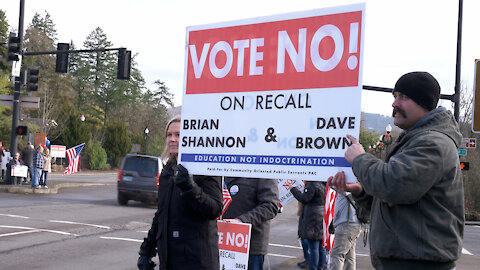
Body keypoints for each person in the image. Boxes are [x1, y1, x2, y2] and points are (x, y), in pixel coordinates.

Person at [328, 71, 464, 270]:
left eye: (404, 97)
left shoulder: (433, 143)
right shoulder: (416, 139)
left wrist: (360, 158)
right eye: (395, 96)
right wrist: (360, 191)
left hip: (418, 264)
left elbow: (394, 185)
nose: (394, 104)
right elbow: (396, 199)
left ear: (424, 104)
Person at [137, 116, 223, 270]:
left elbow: (214, 209)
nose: (172, 139)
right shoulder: (167, 171)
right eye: (169, 135)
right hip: (170, 260)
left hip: (198, 260)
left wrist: (190, 187)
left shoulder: (206, 167)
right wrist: (147, 250)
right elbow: (161, 215)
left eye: (178, 135)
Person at [222, 177, 279, 270]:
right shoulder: (226, 171)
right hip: (225, 242)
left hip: (251, 245)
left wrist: (242, 221)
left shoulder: (263, 173)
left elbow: (270, 206)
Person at [288, 181, 326, 270]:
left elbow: (305, 198)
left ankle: (313, 267)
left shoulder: (312, 184)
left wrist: (293, 189)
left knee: (313, 247)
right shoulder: (324, 184)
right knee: (321, 246)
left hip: (312, 217)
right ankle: (321, 267)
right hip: (321, 215)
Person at [329, 191, 362, 270]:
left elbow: (335, 185)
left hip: (346, 225)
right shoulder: (355, 188)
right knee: (349, 255)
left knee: (337, 255)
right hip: (354, 224)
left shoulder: (346, 189)